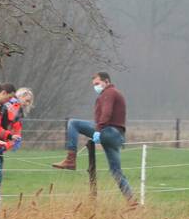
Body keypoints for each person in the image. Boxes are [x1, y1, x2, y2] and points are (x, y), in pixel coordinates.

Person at [52, 72, 134, 201]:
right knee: (116, 171)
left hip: (108, 132)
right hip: (117, 137)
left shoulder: (109, 92)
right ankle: (132, 201)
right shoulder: (113, 93)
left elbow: (107, 112)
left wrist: (99, 130)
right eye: (94, 85)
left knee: (73, 123)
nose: (95, 87)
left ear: (106, 81)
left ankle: (70, 159)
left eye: (97, 83)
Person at [0, 86, 34, 197]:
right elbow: (2, 126)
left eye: (30, 102)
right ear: (20, 96)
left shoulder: (16, 110)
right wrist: (6, 142)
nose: (27, 104)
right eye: (27, 100)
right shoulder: (12, 107)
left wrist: (8, 144)